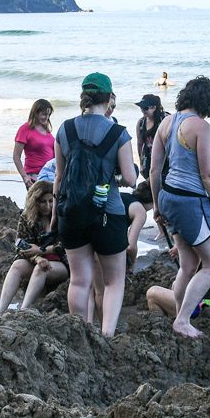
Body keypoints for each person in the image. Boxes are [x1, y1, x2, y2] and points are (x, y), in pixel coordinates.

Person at [55, 73, 138, 337]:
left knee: (79, 280)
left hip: (71, 212)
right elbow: (131, 178)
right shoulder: (118, 133)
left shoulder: (64, 129)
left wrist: (57, 215)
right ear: (109, 98)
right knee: (113, 281)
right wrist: (110, 175)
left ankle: (80, 334)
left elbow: (59, 176)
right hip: (107, 214)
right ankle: (107, 336)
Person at [151, 75, 210, 340]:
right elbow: (208, 176)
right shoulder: (200, 127)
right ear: (208, 102)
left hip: (168, 197)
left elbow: (154, 171)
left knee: (188, 265)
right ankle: (183, 320)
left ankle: (178, 315)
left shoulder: (166, 122)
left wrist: (157, 206)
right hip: (189, 201)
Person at [145, 236, 210, 326]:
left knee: (152, 293)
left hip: (209, 311)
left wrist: (184, 251)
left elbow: (184, 286)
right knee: (175, 286)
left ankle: (163, 329)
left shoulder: (202, 255)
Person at [0, 182, 68, 312]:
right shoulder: (26, 217)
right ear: (34, 201)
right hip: (36, 259)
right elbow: (20, 245)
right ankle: (0, 311)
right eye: (42, 202)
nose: (47, 206)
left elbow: (68, 244)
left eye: (51, 201)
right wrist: (37, 258)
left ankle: (24, 310)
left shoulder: (61, 215)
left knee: (40, 269)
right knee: (16, 265)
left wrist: (42, 250)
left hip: (61, 262)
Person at [12, 99, 56, 187]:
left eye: (48, 114)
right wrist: (25, 177)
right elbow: (16, 157)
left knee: (52, 200)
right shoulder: (24, 129)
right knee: (38, 201)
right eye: (44, 114)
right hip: (34, 176)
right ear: (35, 113)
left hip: (49, 174)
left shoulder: (46, 130)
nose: (46, 117)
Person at [134, 94, 165, 179]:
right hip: (148, 159)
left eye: (145, 108)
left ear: (154, 108)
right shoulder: (141, 123)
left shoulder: (165, 119)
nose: (142, 110)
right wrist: (141, 162)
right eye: (141, 108)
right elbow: (140, 143)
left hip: (164, 159)